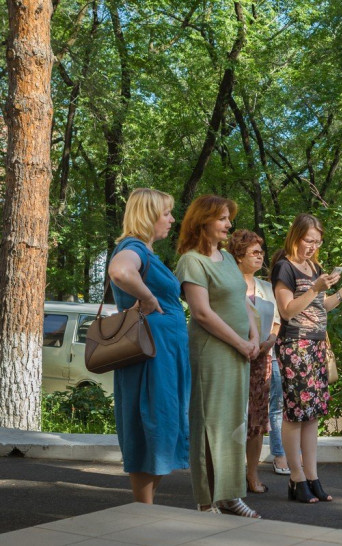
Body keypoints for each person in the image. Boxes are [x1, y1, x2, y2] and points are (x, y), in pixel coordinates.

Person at [175, 195, 261, 518]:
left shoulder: (226, 257)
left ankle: (229, 495)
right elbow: (201, 313)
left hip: (239, 352)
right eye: (222, 219)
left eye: (228, 218)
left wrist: (253, 338)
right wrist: (240, 342)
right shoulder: (191, 261)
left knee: (234, 423)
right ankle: (205, 501)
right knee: (208, 423)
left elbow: (243, 302)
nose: (229, 224)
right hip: (212, 352)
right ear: (203, 221)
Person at [271, 213, 342, 503]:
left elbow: (321, 306)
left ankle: (312, 476)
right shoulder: (284, 267)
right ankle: (296, 477)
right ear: (295, 237)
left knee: (312, 414)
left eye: (318, 242)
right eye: (308, 241)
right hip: (294, 344)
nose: (312, 247)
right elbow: (287, 310)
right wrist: (314, 288)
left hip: (316, 344)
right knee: (296, 412)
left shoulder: (314, 267)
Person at [107, 188, 191, 504]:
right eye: (166, 213)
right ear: (149, 215)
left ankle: (145, 508)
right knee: (150, 426)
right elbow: (120, 271)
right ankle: (143, 510)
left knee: (163, 427)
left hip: (164, 354)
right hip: (150, 356)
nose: (172, 219)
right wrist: (148, 297)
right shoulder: (133, 248)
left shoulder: (146, 252)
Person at [226, 229, 284, 494]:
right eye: (255, 252)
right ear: (239, 255)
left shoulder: (266, 288)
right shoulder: (227, 285)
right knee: (232, 417)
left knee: (257, 420)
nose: (261, 256)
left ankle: (252, 474)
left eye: (262, 252)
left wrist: (270, 341)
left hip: (262, 360)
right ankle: (229, 474)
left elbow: (277, 321)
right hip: (232, 357)